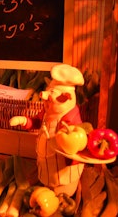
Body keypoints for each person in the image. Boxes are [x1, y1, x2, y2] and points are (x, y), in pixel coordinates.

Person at [10, 64, 85, 196]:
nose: (45, 104)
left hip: (63, 171)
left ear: (66, 98)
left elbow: (77, 146)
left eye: (50, 101)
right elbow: (36, 122)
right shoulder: (46, 113)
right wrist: (23, 120)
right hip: (46, 165)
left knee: (61, 193)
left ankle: (65, 192)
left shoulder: (71, 119)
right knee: (47, 186)